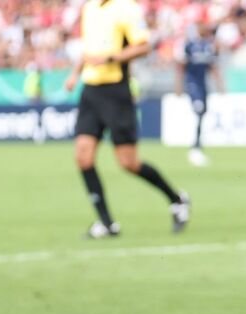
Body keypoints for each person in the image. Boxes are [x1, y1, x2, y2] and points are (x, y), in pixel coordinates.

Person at [66, 0, 189, 239]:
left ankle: (176, 200)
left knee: (128, 163)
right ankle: (107, 223)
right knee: (83, 156)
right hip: (90, 90)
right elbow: (88, 49)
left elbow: (144, 47)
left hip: (116, 91)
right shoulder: (89, 8)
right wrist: (75, 74)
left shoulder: (127, 8)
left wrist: (112, 57)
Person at [176, 24, 226, 167]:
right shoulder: (190, 45)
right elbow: (180, 66)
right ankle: (195, 147)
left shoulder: (208, 46)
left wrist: (220, 86)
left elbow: (213, 66)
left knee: (202, 113)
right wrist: (178, 87)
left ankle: (197, 145)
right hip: (192, 83)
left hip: (203, 85)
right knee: (198, 109)